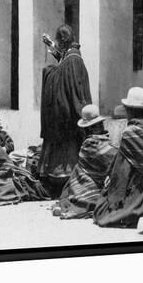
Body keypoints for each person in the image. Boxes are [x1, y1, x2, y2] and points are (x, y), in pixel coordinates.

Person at [93, 87, 143, 228]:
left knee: (101, 212)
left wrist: (113, 195)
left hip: (138, 195)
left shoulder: (129, 134)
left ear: (130, 110)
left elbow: (121, 172)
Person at [39, 24, 92, 197]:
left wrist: (50, 73)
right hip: (65, 114)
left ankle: (66, 183)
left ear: (63, 40)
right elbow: (64, 64)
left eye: (57, 41)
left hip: (68, 115)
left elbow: (70, 82)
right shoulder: (72, 56)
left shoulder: (74, 60)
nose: (57, 44)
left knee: (67, 153)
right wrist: (51, 47)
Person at [54, 104, 118, 219]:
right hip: (92, 185)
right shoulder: (91, 144)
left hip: (92, 182)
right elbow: (114, 159)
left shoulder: (98, 143)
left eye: (100, 125)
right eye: (98, 125)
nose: (101, 127)